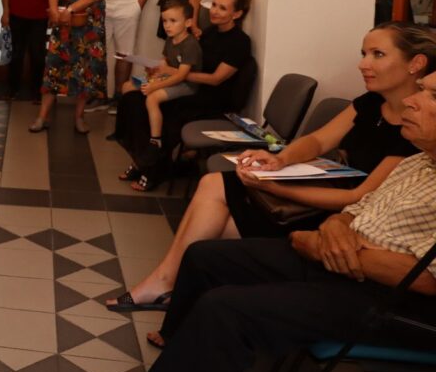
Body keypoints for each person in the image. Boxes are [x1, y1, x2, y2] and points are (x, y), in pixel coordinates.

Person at [108, 21, 436, 312]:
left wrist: (275, 185)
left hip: (337, 215)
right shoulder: (371, 103)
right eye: (364, 54)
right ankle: (172, 288)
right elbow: (318, 141)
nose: (363, 64)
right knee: (214, 192)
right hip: (322, 190)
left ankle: (174, 291)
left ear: (416, 64)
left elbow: (357, 198)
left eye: (377, 55)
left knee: (219, 223)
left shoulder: (419, 131)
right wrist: (281, 159)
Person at [142, 70, 436, 372]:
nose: (411, 100)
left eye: (432, 96)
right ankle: (184, 350)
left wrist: (322, 246)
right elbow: (354, 211)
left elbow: (426, 279)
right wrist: (335, 227)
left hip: (398, 303)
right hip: (343, 260)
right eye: (420, 89)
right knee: (204, 256)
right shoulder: (416, 162)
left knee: (224, 307)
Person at [115, 0, 254, 192]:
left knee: (165, 110)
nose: (214, 11)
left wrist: (173, 73)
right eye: (214, 5)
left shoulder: (240, 42)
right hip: (191, 88)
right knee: (132, 100)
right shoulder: (209, 32)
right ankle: (142, 159)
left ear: (237, 14)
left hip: (213, 99)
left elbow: (216, 79)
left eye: (222, 8)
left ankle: (152, 168)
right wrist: (160, 71)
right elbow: (184, 63)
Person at [28, 0, 111, 134]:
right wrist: (54, 10)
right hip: (62, 22)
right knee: (53, 67)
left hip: (89, 25)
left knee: (85, 69)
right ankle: (42, 117)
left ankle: (79, 118)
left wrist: (70, 10)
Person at [119, 0, 201, 149]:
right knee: (127, 86)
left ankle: (155, 139)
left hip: (186, 85)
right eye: (165, 21)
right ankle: (127, 130)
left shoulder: (190, 45)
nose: (167, 25)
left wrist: (155, 86)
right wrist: (153, 71)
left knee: (152, 98)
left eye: (173, 21)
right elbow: (164, 62)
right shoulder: (170, 39)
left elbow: (182, 76)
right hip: (169, 77)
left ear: (188, 23)